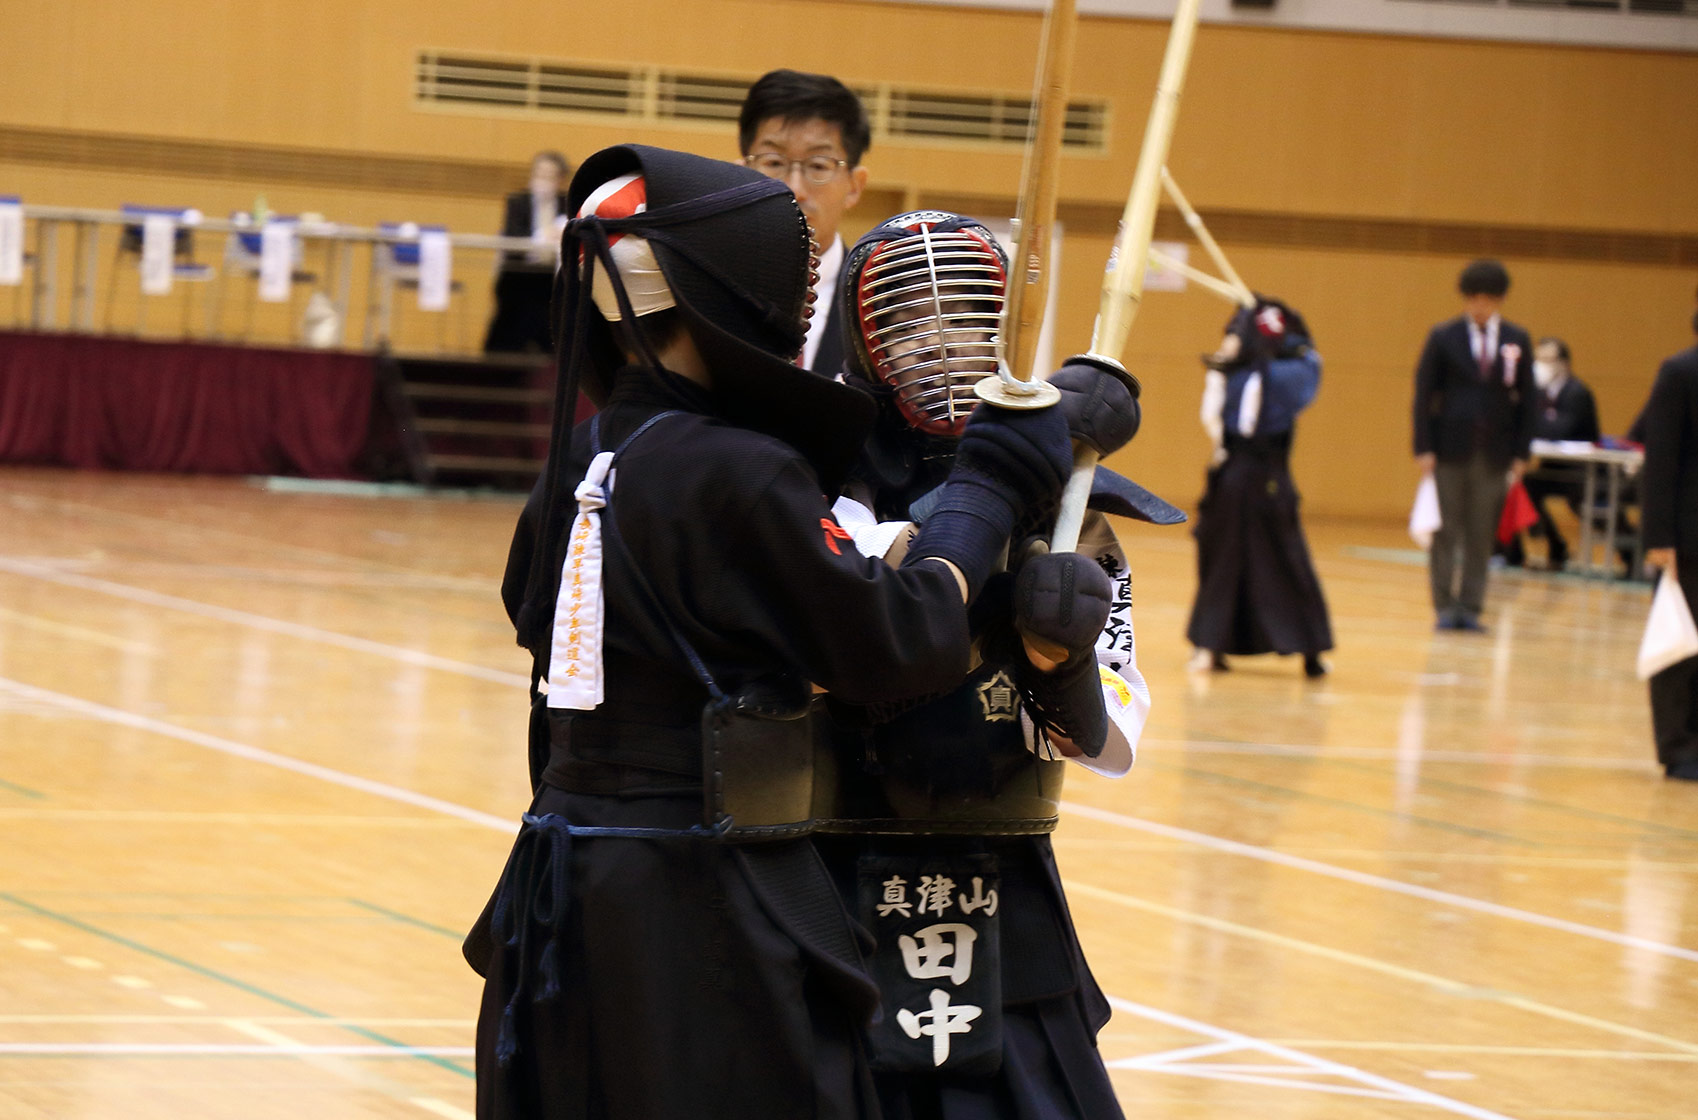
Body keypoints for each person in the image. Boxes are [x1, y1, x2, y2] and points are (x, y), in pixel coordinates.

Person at [463, 145, 1086, 1120]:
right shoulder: (737, 469)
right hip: (697, 893)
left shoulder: (584, 455)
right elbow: (904, 642)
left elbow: (530, 612)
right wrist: (990, 485)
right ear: (738, 289)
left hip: (564, 878)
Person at [814, 210, 1176, 1117]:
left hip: (998, 870)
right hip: (830, 862)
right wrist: (998, 485)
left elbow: (1105, 736)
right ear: (864, 343)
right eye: (908, 321)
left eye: (970, 317)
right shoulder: (816, 473)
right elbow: (870, 612)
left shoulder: (1075, 499)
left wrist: (1063, 661)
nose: (941, 340)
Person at [1186, 297, 1333, 677]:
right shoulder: (1237, 374)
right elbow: (1217, 419)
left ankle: (1311, 650)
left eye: (1235, 335)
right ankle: (1210, 647)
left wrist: (1271, 314)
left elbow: (1305, 356)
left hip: (1268, 481)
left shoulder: (1276, 376)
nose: (1227, 342)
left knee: (1287, 561)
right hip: (1233, 481)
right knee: (1222, 564)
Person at [1412, 259, 1536, 633]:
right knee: (1445, 532)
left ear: (1499, 300)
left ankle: (1471, 607)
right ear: (1465, 299)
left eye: (1488, 299)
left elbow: (1527, 399)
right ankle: (1443, 607)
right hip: (1448, 450)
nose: (1480, 306)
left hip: (1495, 452)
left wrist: (1521, 453)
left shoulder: (1516, 339)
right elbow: (1423, 395)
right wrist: (1423, 446)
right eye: (1474, 299)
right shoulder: (1443, 336)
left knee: (1481, 534)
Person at [738, 69, 870, 376]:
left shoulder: (879, 308)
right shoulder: (704, 294)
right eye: (774, 162)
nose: (794, 189)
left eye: (818, 165)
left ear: (854, 186)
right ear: (740, 174)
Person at [1639, 304, 1698, 782]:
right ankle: (1679, 747)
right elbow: (1660, 460)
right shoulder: (1680, 372)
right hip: (1688, 536)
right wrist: (1659, 537)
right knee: (1681, 646)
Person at [1502, 337, 1602, 569]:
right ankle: (1545, 546)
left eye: (1548, 359)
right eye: (1538, 359)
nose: (1541, 364)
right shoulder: (1539, 393)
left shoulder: (1577, 392)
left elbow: (1558, 430)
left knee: (1579, 500)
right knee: (1519, 485)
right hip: (1553, 468)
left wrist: (1535, 423)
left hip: (1581, 471)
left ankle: (1554, 544)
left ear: (1564, 363)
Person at [482, 151, 570, 354]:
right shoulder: (518, 201)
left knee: (554, 303)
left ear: (560, 179)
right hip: (520, 271)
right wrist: (542, 236)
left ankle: (552, 357)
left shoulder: (568, 204)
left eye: (549, 176)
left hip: (551, 275)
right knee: (514, 297)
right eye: (539, 174)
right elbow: (512, 236)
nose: (542, 180)